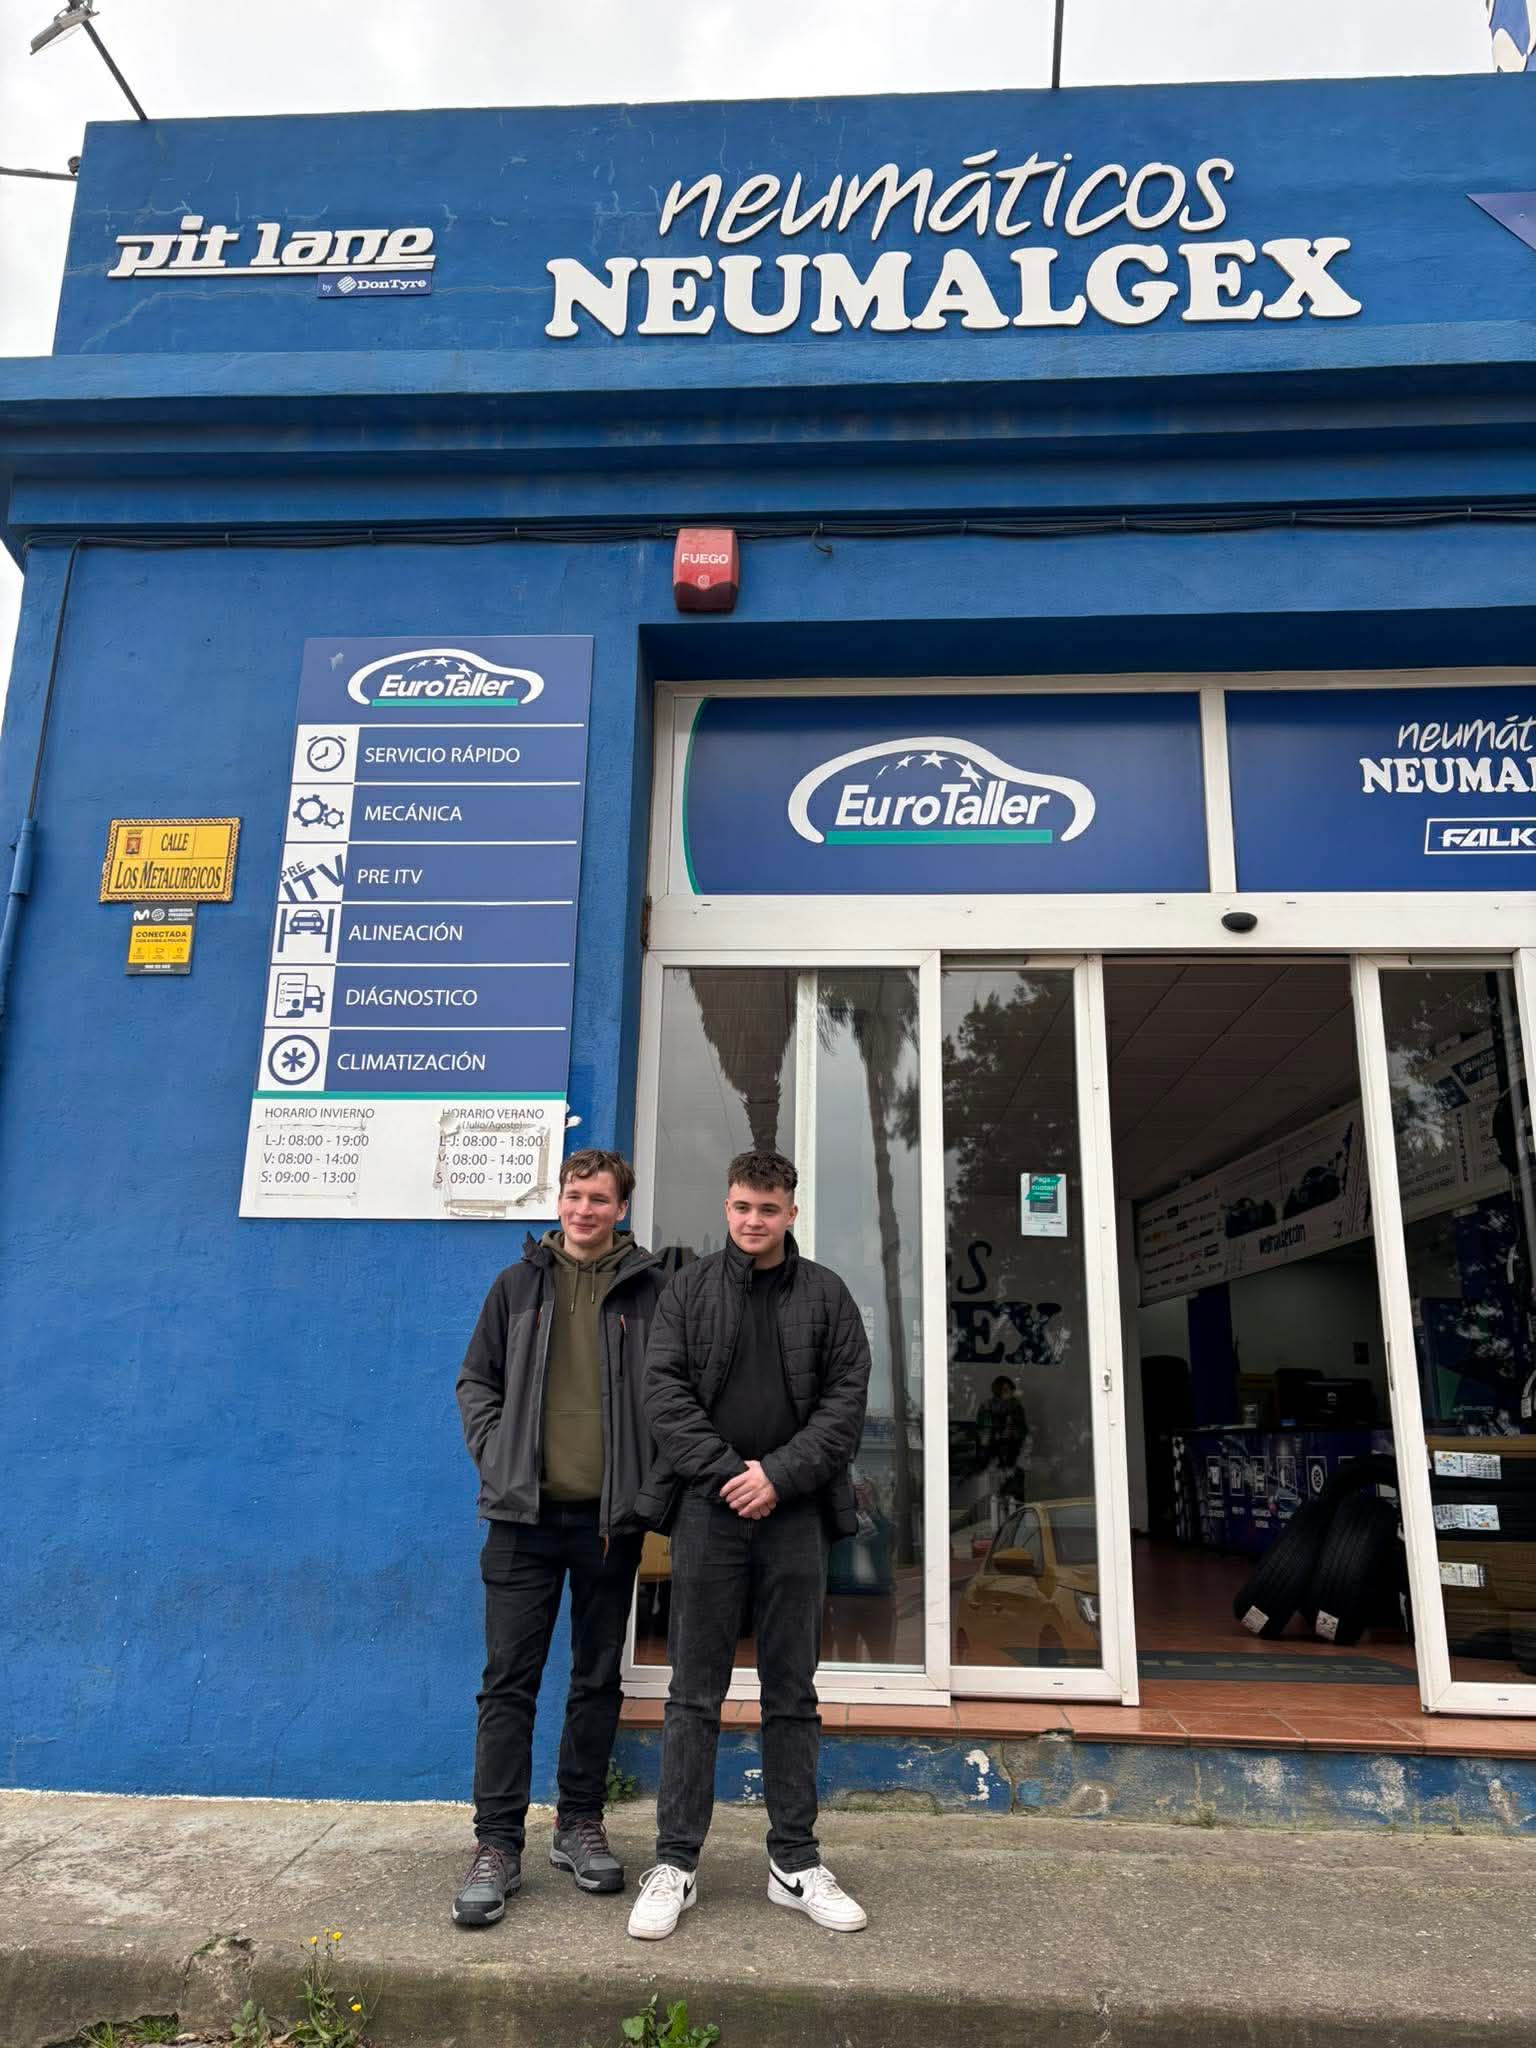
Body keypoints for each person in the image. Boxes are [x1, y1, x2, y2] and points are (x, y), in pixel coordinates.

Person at [627, 1149, 872, 1941]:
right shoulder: (689, 1290)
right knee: (692, 1693)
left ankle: (794, 1863)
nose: (753, 1220)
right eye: (741, 1207)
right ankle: (675, 1864)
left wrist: (779, 1476)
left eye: (768, 1209)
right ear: (727, 1206)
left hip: (795, 1515)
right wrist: (734, 1475)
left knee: (791, 1691)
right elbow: (663, 1394)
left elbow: (845, 1403)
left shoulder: (827, 1295)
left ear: (791, 1212)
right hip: (708, 1511)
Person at [451, 1148, 680, 1928]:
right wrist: (498, 1453)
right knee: (507, 1682)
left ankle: (580, 1821)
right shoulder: (516, 1286)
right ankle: (496, 1843)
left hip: (610, 1526)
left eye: (600, 1198)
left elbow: (674, 1396)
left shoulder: (652, 1292)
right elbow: (475, 1381)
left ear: (622, 1207)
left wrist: (648, 1490)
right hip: (522, 1521)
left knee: (595, 1679)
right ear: (559, 1200)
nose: (585, 1210)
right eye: (575, 1195)